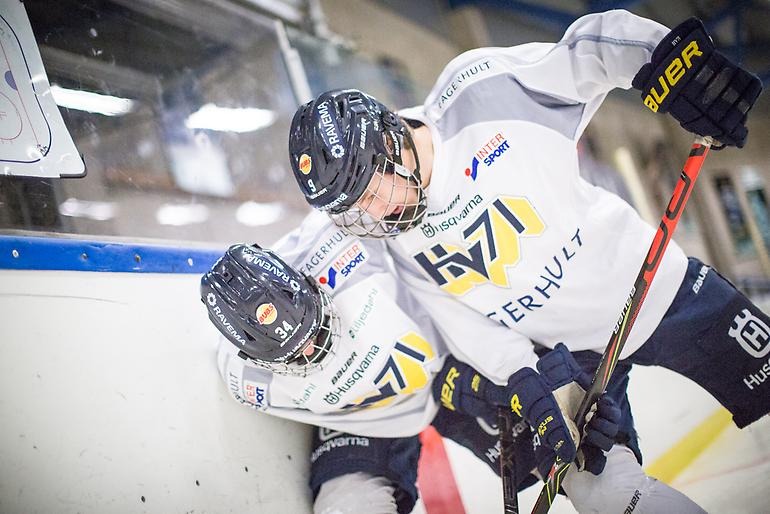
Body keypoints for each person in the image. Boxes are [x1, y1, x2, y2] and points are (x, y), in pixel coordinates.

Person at [287, 8, 769, 453]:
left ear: (390, 139)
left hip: (653, 289)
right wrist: (524, 379)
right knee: (609, 491)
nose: (375, 212)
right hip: (572, 357)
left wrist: (671, 63)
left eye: (371, 190)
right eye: (356, 208)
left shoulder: (477, 93)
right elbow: (465, 324)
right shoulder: (393, 235)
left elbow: (587, 53)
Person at [200, 211, 705, 513]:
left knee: (604, 485)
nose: (314, 351)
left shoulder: (357, 246)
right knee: (349, 507)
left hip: (457, 356)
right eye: (299, 356)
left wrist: (506, 378)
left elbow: (465, 297)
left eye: (316, 330)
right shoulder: (247, 380)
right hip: (370, 412)